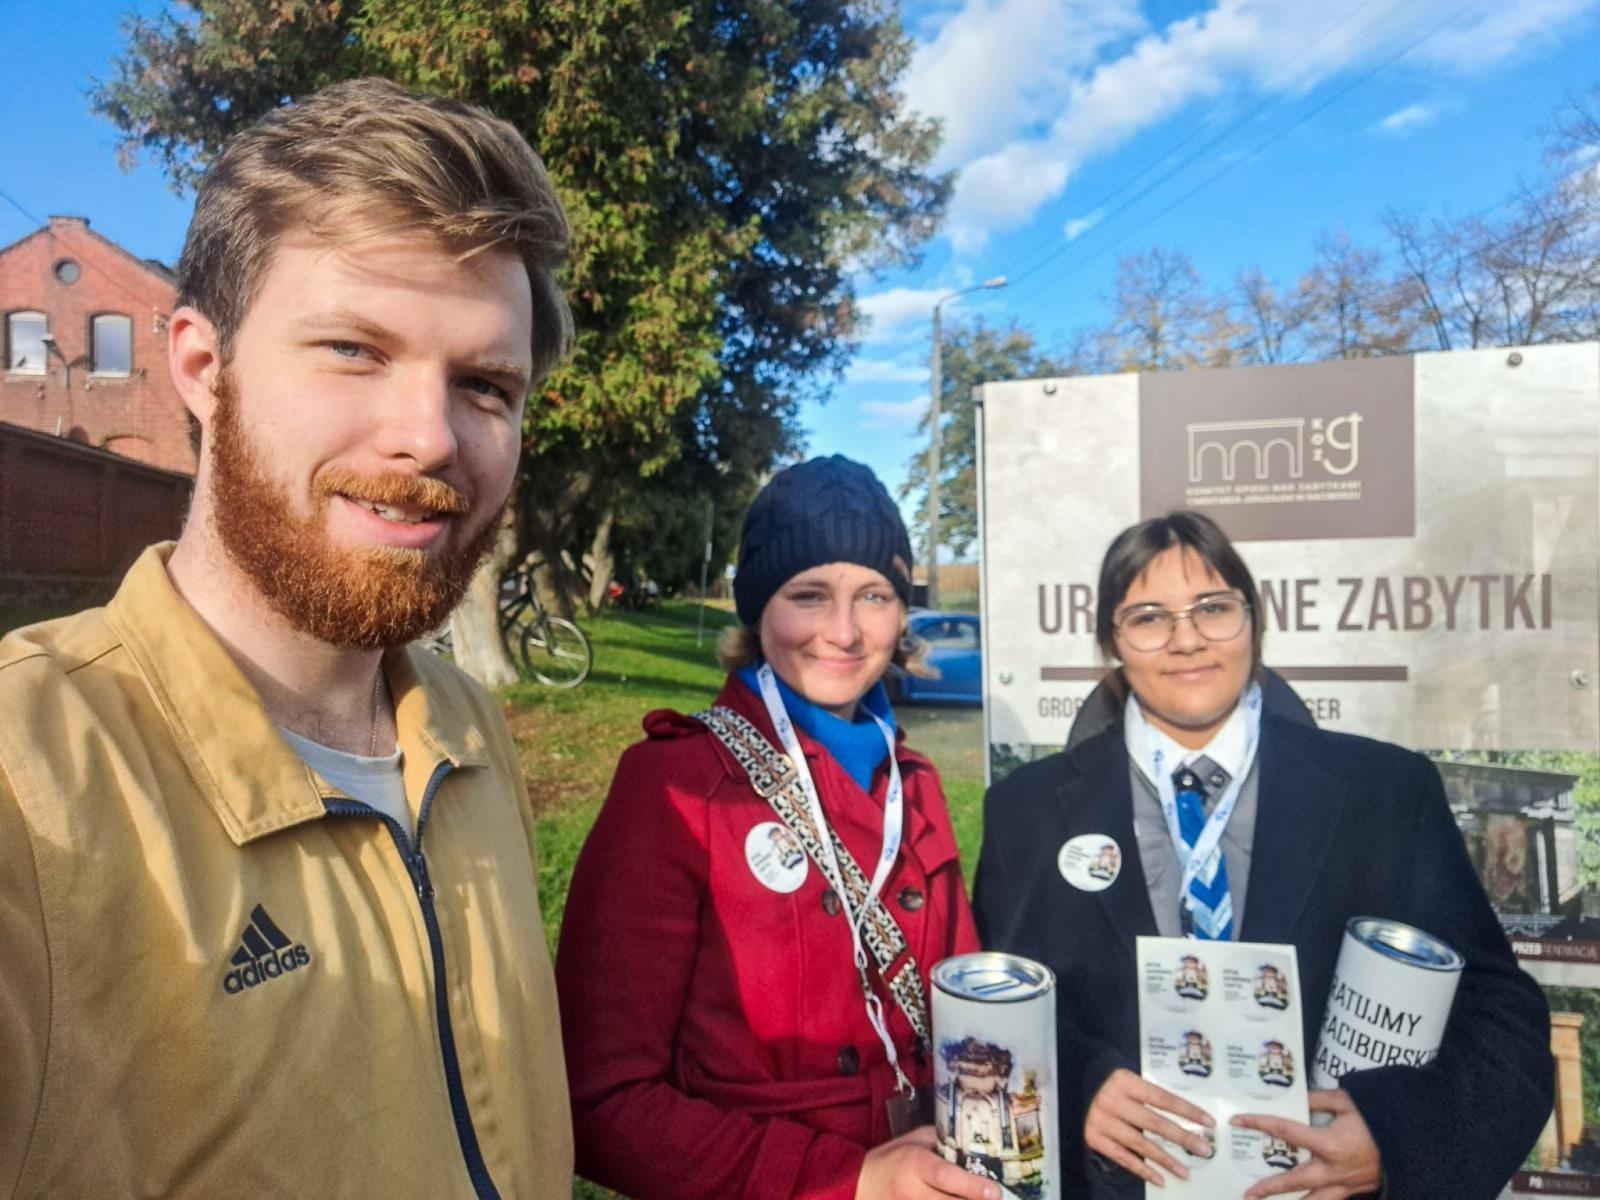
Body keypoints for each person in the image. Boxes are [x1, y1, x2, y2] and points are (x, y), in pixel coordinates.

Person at [0, 79, 575, 1197]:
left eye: (485, 385)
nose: (427, 437)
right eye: (355, 350)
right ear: (203, 369)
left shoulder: (465, 731)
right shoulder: (29, 783)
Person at [974, 510, 1552, 1200]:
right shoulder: (1026, 813)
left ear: (1253, 622)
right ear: (1113, 642)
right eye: (1150, 617)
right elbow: (994, 1016)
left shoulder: (1387, 793)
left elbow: (1501, 1019)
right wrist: (1075, 1090)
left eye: (1214, 609)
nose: (1187, 640)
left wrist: (1398, 1136)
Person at [557, 455, 995, 1200]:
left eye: (876, 596)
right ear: (758, 611)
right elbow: (598, 1103)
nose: (847, 632)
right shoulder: (677, 783)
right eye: (810, 596)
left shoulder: (914, 784)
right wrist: (847, 1180)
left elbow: (968, 1024)